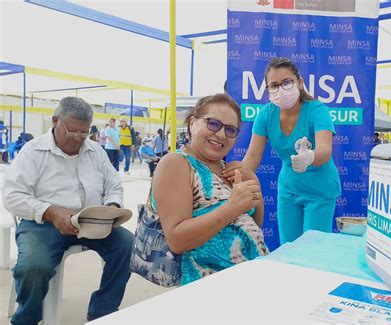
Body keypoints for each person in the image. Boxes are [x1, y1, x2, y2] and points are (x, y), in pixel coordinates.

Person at [3, 97, 134, 324]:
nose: (78, 139)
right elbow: (12, 196)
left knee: (130, 247)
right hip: (42, 224)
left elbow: (114, 186)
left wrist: (112, 207)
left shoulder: (95, 150)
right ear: (55, 121)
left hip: (89, 221)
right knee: (34, 266)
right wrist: (51, 212)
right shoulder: (32, 152)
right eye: (73, 132)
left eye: (84, 133)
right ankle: (27, 319)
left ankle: (102, 311)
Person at [223, 57, 341, 244]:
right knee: (289, 248)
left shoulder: (318, 110)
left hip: (320, 190)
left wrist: (309, 157)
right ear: (268, 90)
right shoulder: (266, 114)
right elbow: (253, 157)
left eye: (287, 82)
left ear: (299, 83)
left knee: (313, 251)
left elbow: (325, 151)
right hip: (289, 189)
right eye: (274, 85)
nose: (281, 89)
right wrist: (238, 176)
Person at [153, 94, 268, 285]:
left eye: (231, 130)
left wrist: (256, 197)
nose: (221, 135)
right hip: (209, 288)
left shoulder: (229, 170)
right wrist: (233, 206)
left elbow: (251, 227)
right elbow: (177, 240)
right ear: (192, 123)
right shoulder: (176, 164)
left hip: (251, 279)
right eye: (213, 124)